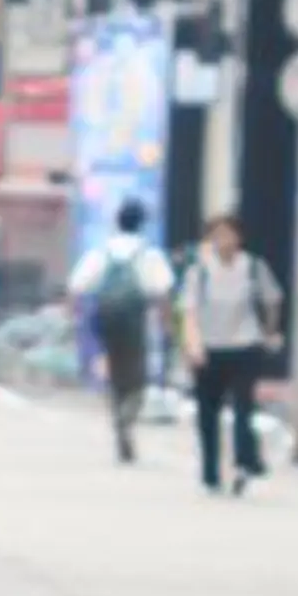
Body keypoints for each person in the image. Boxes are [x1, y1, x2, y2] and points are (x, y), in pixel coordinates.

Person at [180, 214, 286, 495]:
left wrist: (269, 331)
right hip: (210, 349)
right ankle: (210, 472)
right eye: (216, 235)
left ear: (239, 237)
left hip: (245, 346)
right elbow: (189, 313)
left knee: (243, 408)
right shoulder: (199, 271)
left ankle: (242, 463)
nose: (223, 240)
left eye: (228, 234)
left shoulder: (252, 267)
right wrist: (194, 346)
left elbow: (273, 299)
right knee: (208, 413)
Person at [69, 199, 175, 464]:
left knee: (114, 371)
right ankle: (127, 418)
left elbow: (77, 286)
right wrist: (166, 323)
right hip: (135, 319)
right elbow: (162, 292)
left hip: (105, 316)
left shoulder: (101, 251)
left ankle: (117, 414)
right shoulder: (149, 254)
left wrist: (77, 319)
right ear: (143, 223)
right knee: (137, 375)